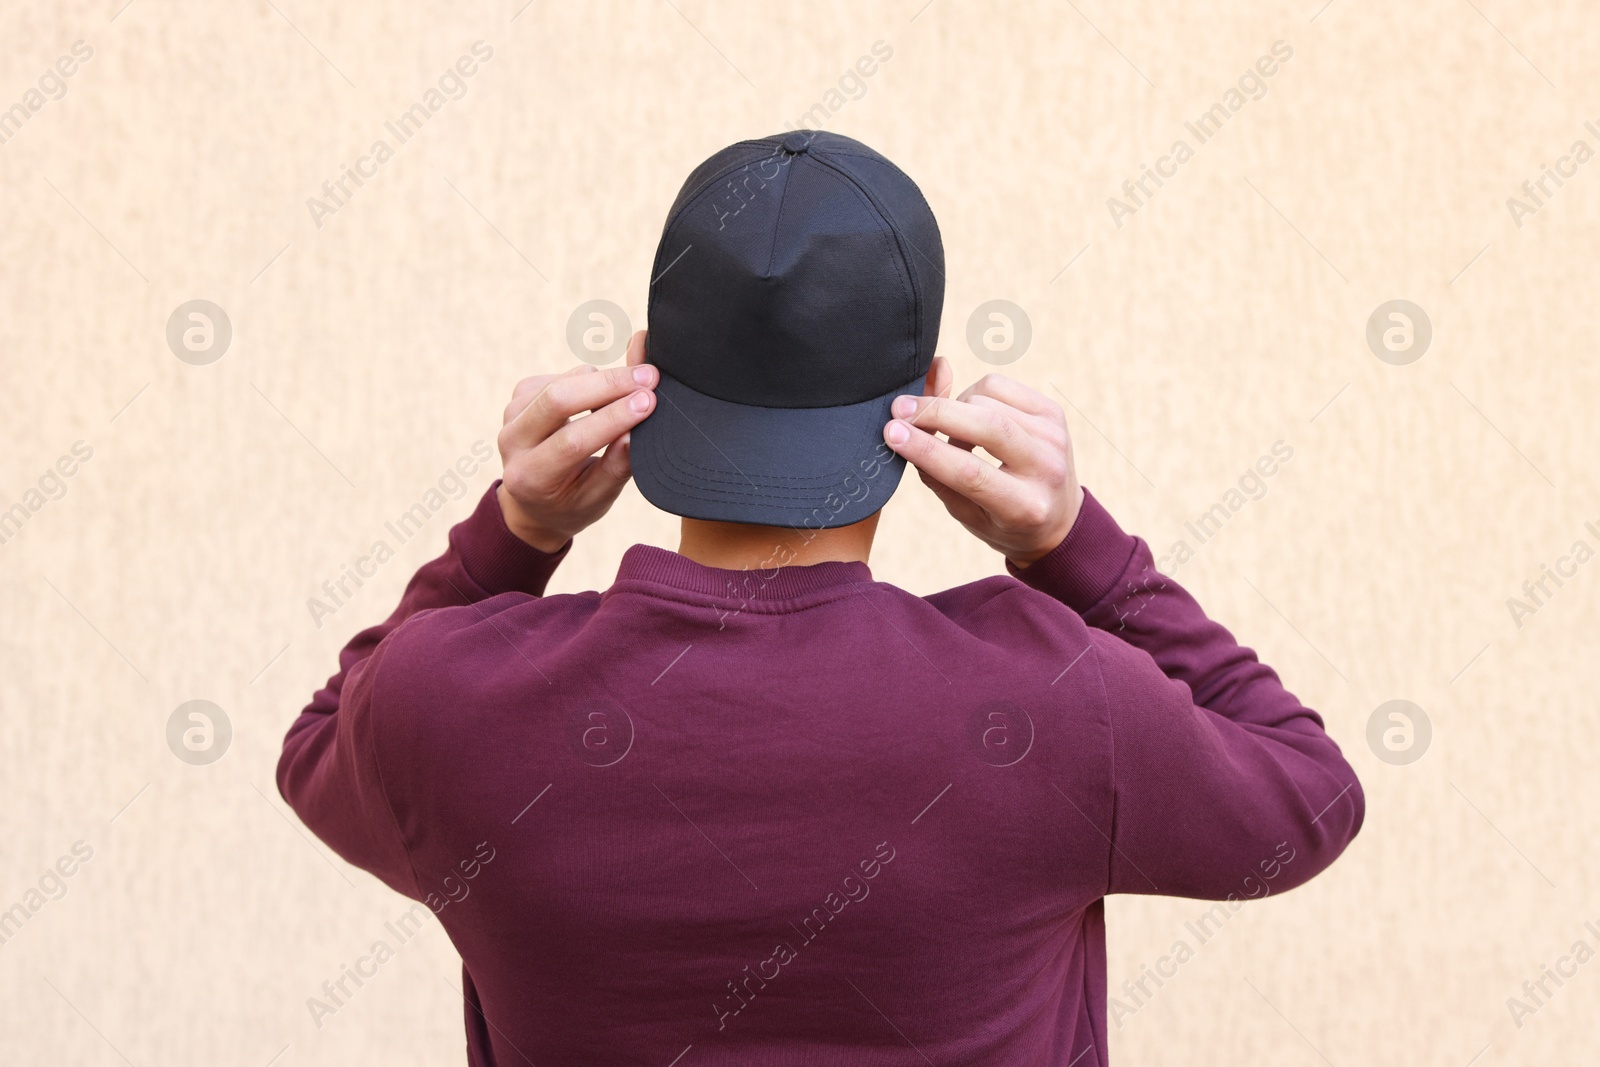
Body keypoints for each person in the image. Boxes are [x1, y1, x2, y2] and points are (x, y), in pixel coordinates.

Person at [279, 131, 1363, 1066]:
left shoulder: (448, 704)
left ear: (640, 372)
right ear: (932, 401)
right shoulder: (1059, 697)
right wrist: (1071, 545)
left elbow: (320, 742)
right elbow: (1309, 796)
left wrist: (514, 530)